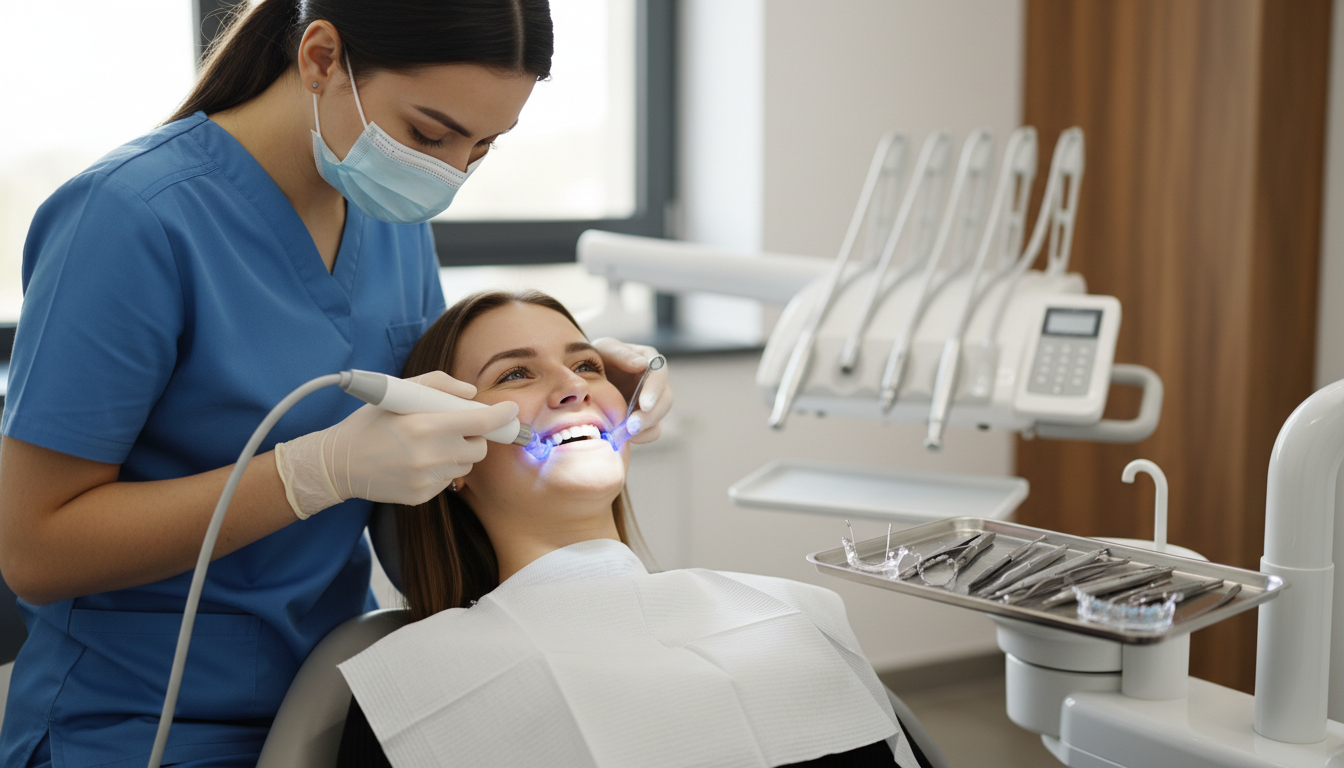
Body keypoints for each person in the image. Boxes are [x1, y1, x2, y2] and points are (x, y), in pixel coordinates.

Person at [0, 3, 671, 766]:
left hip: (334, 698)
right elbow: (33, 549)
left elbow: (420, 463)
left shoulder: (388, 213)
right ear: (321, 57)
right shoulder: (128, 219)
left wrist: (573, 380)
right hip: (137, 722)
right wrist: (313, 473)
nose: (449, 172)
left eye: (484, 146)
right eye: (429, 134)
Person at [335, 291, 929, 768]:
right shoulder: (418, 687)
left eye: (585, 364)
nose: (573, 386)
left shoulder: (791, 612)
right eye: (516, 374)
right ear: (451, 454)